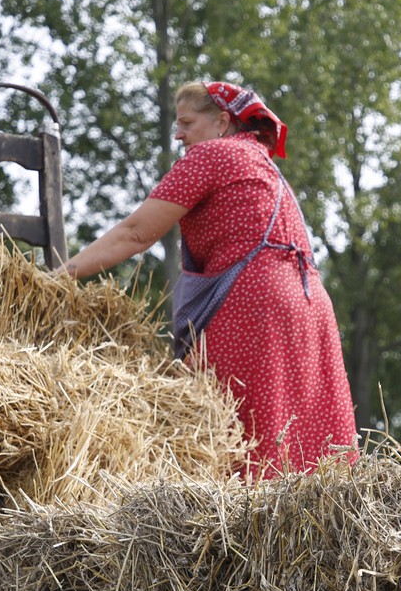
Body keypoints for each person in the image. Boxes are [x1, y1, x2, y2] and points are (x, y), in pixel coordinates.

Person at [61, 80, 358, 476]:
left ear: (221, 122)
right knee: (305, 446)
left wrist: (61, 276)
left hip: (255, 303)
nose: (178, 135)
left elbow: (136, 233)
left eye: (187, 123)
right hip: (310, 305)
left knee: (234, 440)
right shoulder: (262, 163)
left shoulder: (213, 155)